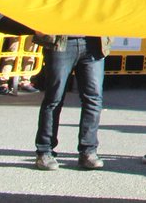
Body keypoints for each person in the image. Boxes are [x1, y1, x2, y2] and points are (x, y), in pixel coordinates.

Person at [32, 34, 109, 171]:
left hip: (94, 41)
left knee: (94, 99)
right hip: (61, 41)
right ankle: (44, 151)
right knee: (54, 99)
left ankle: (88, 151)